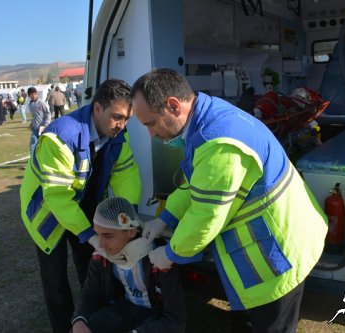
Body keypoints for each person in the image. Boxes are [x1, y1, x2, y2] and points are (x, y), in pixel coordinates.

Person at [131, 68, 328, 333]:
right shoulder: (207, 115)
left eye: (151, 123)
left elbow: (205, 217)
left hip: (276, 256)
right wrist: (166, 217)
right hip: (276, 242)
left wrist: (170, 254)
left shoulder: (216, 143)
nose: (151, 134)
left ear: (173, 105)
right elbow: (197, 181)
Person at [20, 79, 142, 333]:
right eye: (117, 117)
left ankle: (92, 322)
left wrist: (127, 218)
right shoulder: (60, 136)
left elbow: (126, 176)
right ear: (97, 108)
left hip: (84, 207)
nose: (122, 125)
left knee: (90, 267)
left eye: (127, 118)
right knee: (55, 282)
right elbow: (57, 197)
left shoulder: (118, 136)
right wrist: (88, 234)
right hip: (47, 213)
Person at [71, 197, 186, 333]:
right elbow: (90, 293)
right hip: (125, 307)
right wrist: (78, 320)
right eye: (97, 234)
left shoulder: (159, 259)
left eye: (108, 236)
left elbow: (176, 320)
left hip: (155, 314)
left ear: (131, 231)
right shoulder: (101, 255)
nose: (100, 244)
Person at [26, 87, 51, 156]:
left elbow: (48, 113)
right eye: (31, 94)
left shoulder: (41, 102)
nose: (33, 95)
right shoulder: (30, 105)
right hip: (35, 128)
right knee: (32, 145)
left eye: (34, 94)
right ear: (29, 96)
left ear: (37, 94)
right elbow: (34, 116)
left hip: (43, 128)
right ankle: (33, 162)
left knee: (44, 144)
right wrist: (31, 124)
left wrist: (45, 124)